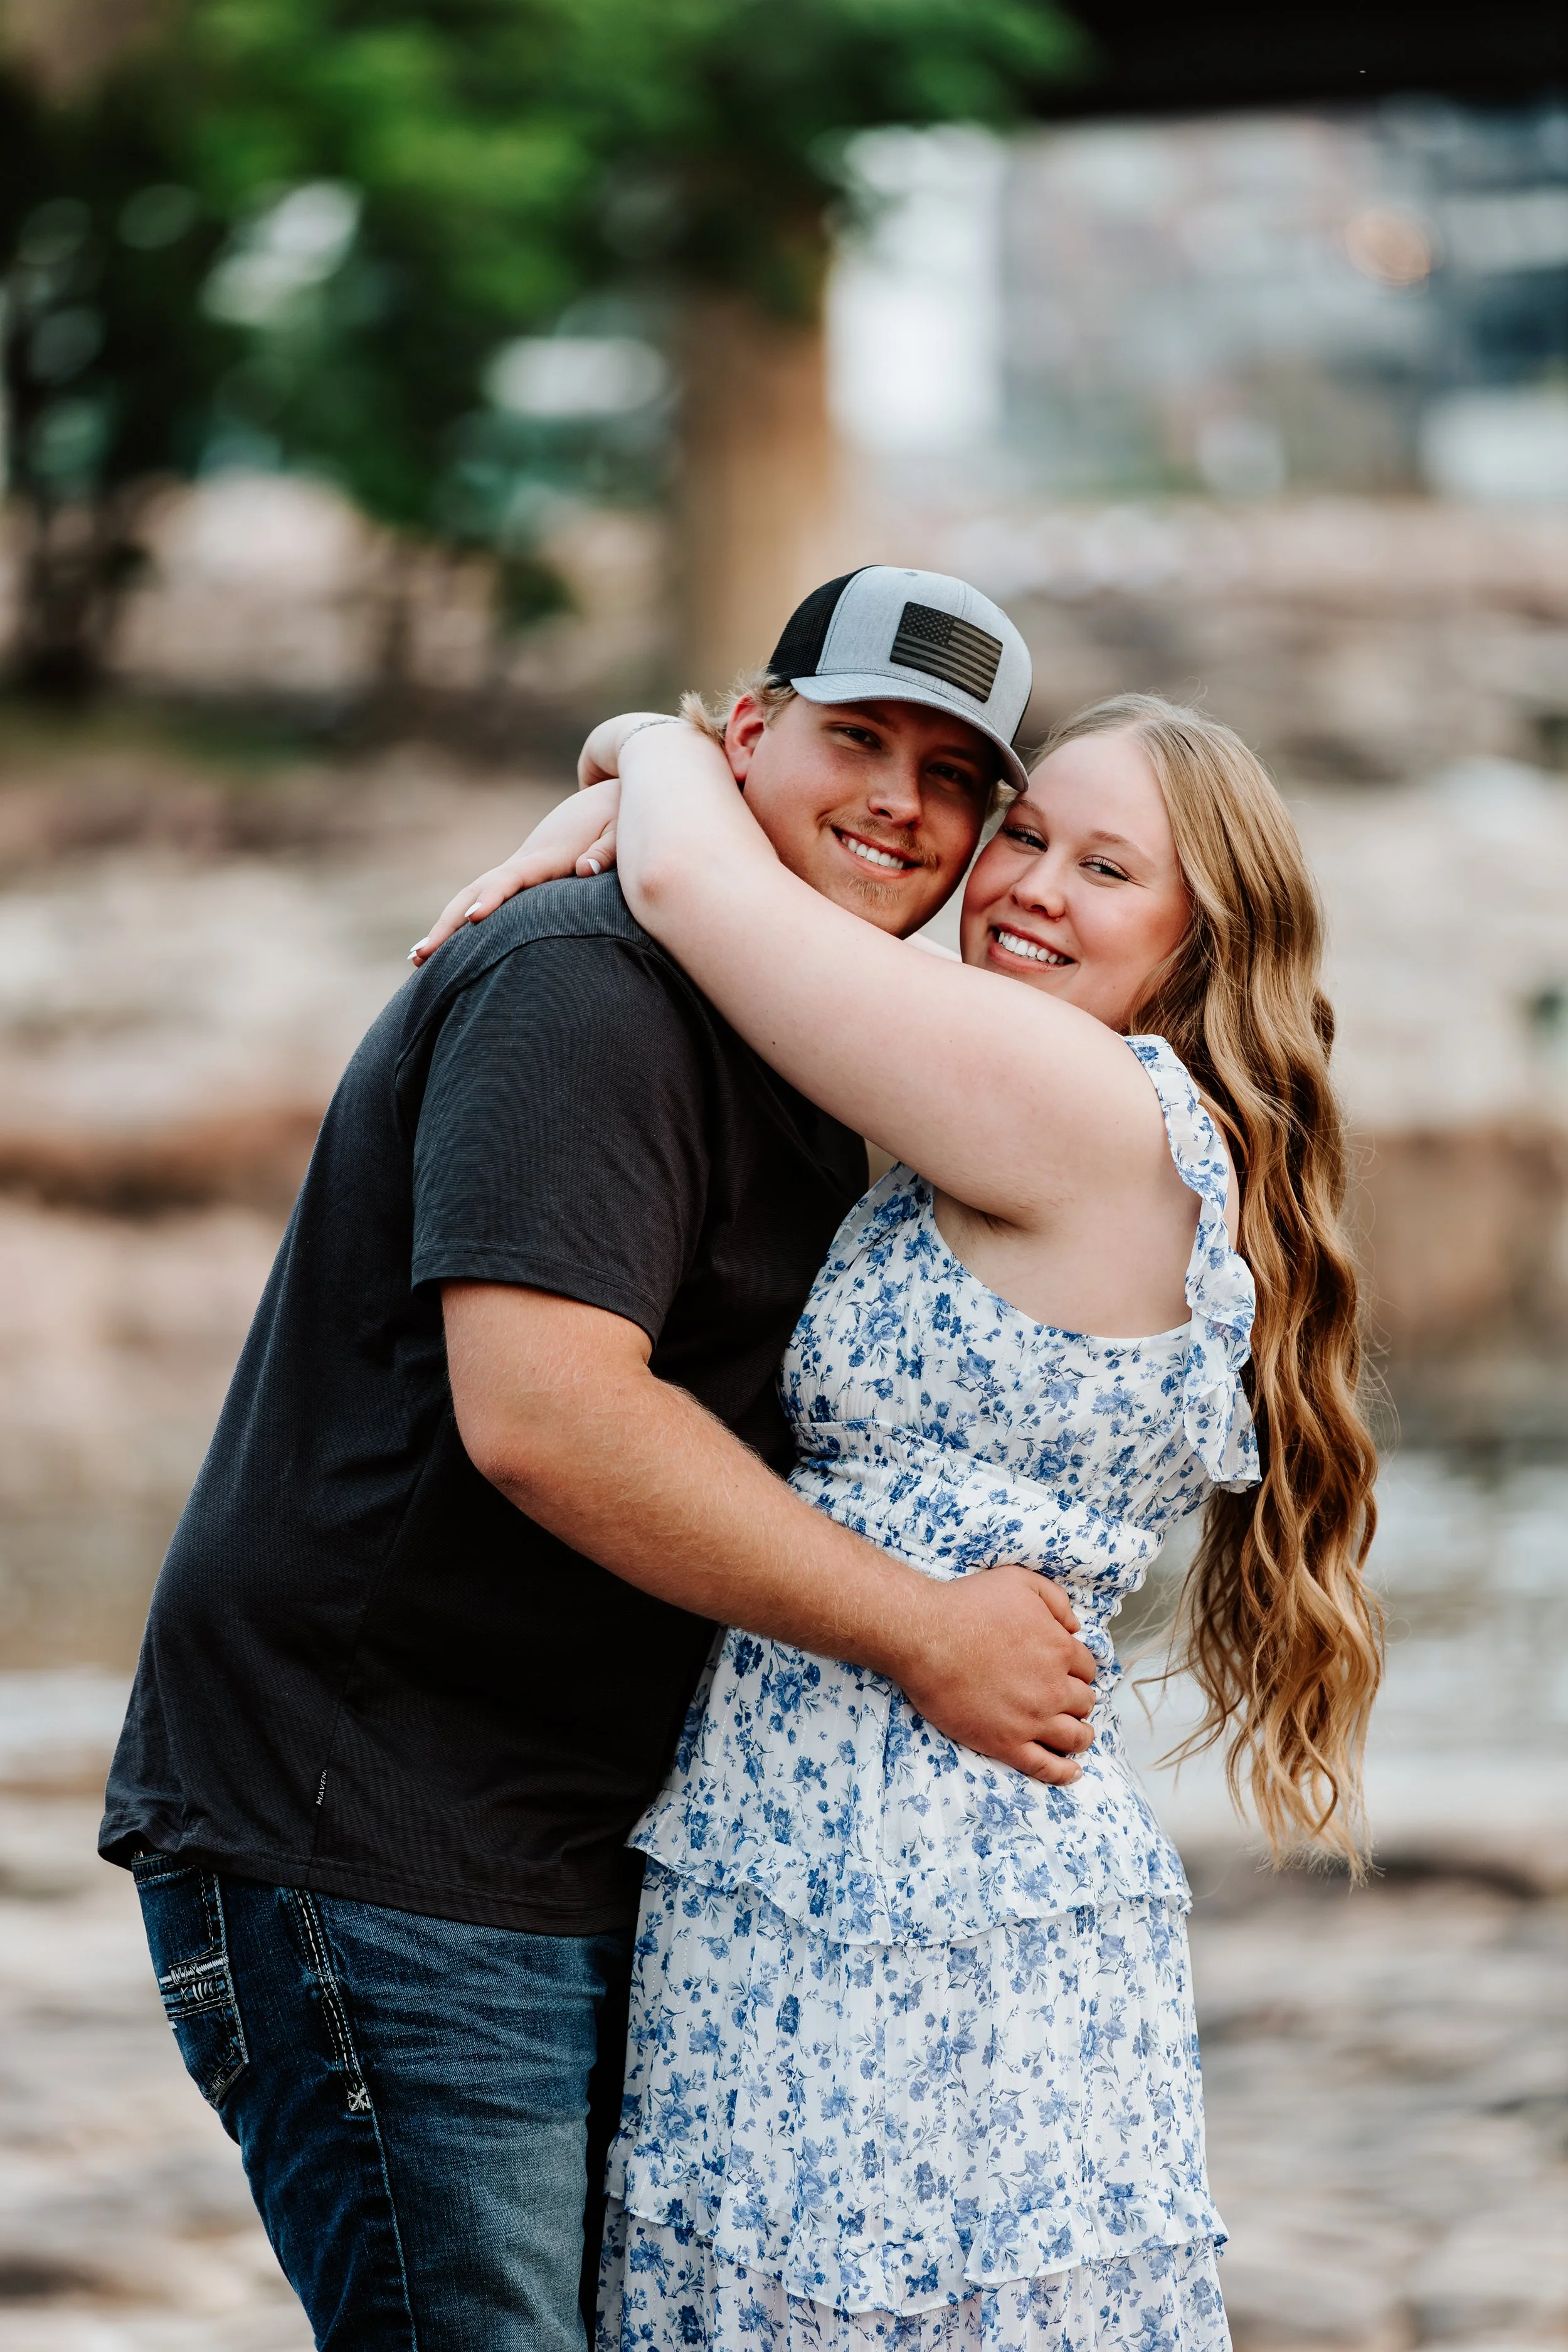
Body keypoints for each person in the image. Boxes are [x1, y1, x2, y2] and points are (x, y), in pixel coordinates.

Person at [100, 568, 1112, 2352]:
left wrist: (633, 777)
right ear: (746, 731)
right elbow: (548, 1415)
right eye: (853, 736)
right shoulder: (589, 985)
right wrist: (921, 1629)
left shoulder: (786, 1009)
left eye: (952, 775)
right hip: (370, 1828)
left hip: (551, 1833)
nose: (899, 797)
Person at [420, 689, 1383, 2351]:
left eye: (1104, 868)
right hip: (820, 1841)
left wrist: (641, 752)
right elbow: (759, 931)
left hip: (923, 1885)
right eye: (1022, 833)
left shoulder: (1076, 1102)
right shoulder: (1023, 1106)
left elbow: (701, 901)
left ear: (1195, 939)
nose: (1028, 886)